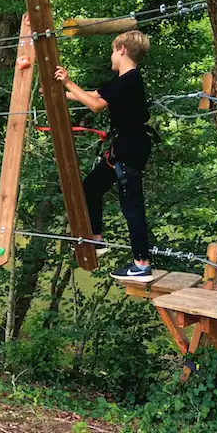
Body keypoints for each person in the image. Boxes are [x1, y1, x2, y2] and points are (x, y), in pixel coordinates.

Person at [54, 30, 154, 282]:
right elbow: (93, 96)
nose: (111, 56)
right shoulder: (120, 82)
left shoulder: (130, 80)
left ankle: (141, 263)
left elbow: (96, 105)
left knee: (131, 206)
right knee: (90, 187)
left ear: (121, 49)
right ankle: (96, 238)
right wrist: (55, 93)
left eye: (112, 50)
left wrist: (68, 82)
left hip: (131, 146)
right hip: (124, 144)